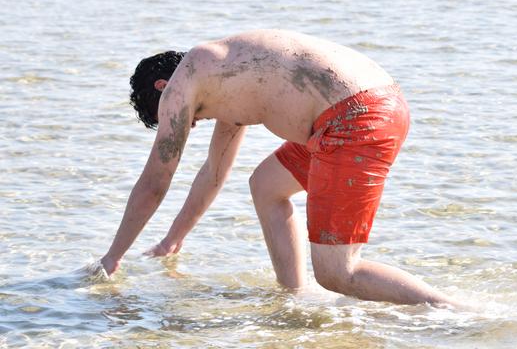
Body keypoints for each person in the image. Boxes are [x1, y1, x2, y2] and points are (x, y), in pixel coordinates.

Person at [99, 29, 455, 306]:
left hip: (354, 119)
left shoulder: (184, 84)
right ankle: (296, 297)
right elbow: (214, 173)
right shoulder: (220, 75)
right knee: (266, 185)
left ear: (163, 88)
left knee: (337, 273)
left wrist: (111, 259)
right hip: (373, 105)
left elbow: (154, 183)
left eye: (167, 117)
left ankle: (454, 312)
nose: (190, 124)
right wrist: (172, 239)